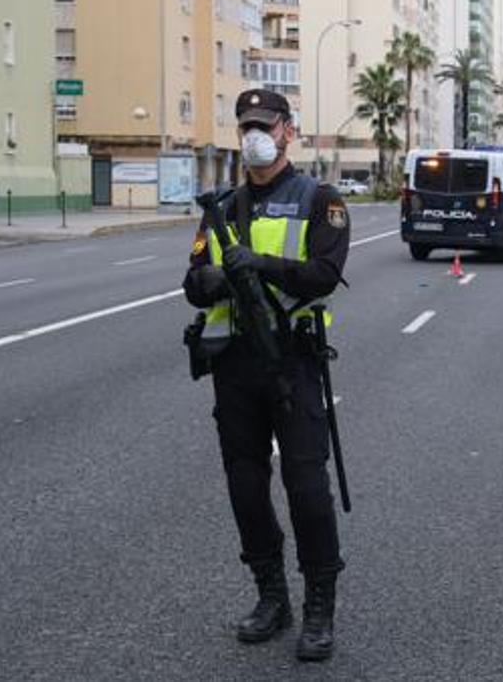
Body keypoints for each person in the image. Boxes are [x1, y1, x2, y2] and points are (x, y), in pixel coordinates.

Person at [182, 88, 349, 663]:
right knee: (245, 486)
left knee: (306, 486)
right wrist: (214, 281)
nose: (255, 134)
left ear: (287, 132)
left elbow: (324, 274)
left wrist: (262, 266)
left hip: (292, 363)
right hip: (234, 365)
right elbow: (192, 282)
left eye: (266, 124)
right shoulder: (222, 207)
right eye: (246, 125)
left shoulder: (318, 198)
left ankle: (319, 606)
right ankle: (271, 597)